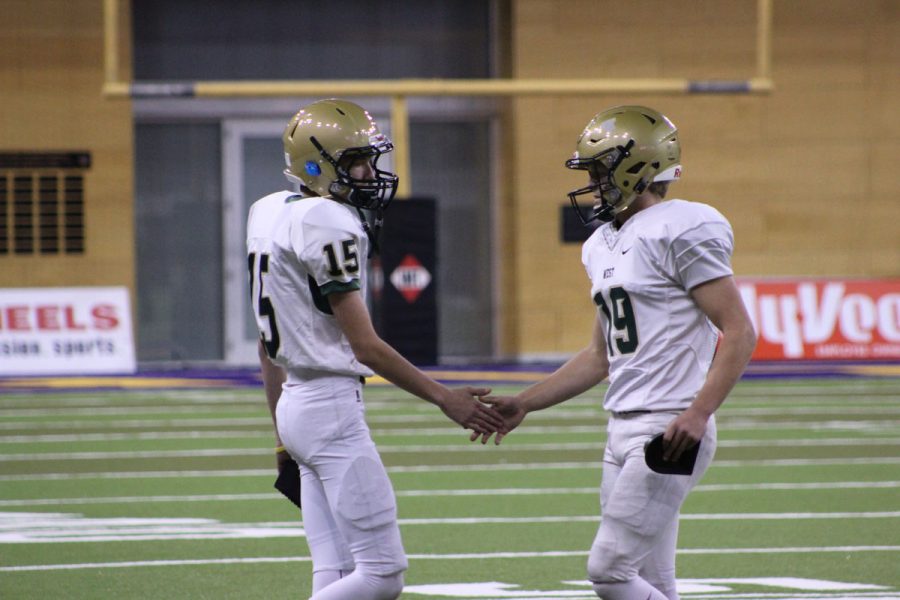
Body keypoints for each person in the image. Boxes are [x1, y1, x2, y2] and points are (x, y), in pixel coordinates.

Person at [476, 105, 757, 600]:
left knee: (609, 571)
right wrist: (526, 402)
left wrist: (699, 411)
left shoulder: (683, 225)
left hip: (669, 426)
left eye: (600, 170)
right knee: (650, 582)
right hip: (621, 426)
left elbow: (737, 330)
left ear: (636, 168)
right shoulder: (602, 242)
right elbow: (599, 356)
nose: (592, 182)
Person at [247, 98, 504, 600]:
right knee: (382, 574)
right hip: (330, 411)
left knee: (336, 571)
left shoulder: (268, 210)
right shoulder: (327, 220)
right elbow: (366, 347)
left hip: (296, 410)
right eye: (356, 162)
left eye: (370, 159)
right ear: (317, 166)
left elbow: (264, 342)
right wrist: (445, 398)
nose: (369, 173)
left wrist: (281, 434)